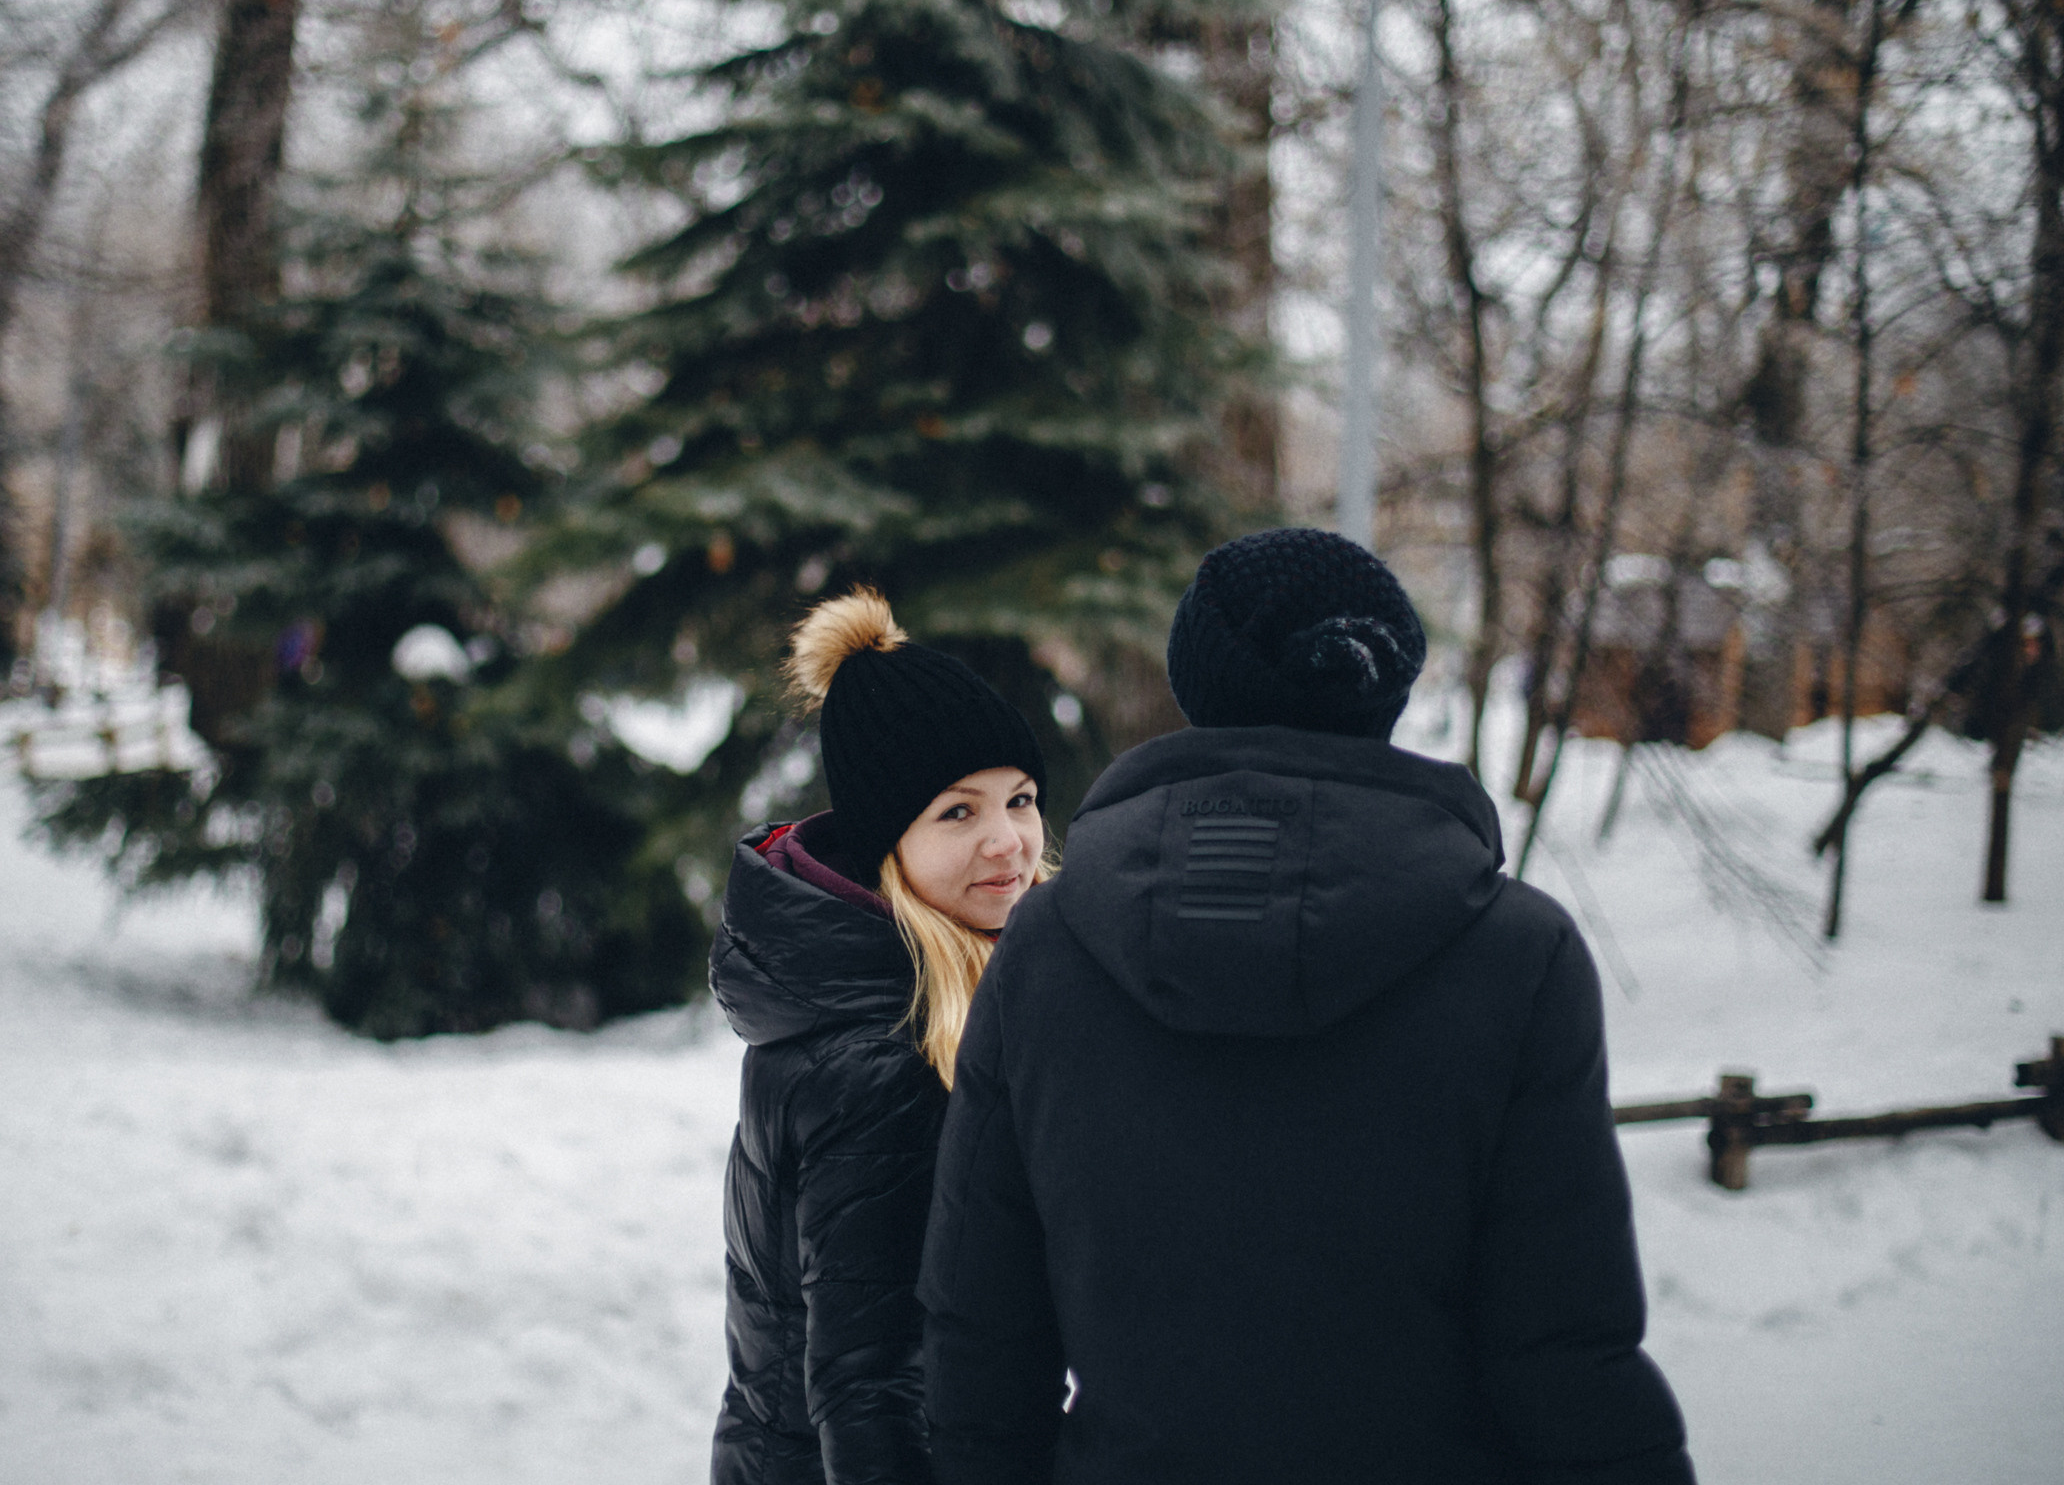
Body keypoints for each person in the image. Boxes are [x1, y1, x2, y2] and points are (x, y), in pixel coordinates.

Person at [919, 529, 1696, 1485]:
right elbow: (1566, 1352)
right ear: (1385, 689)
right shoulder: (1520, 957)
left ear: (1197, 680)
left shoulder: (1045, 949)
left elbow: (983, 1340)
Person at [711, 588, 1055, 1485]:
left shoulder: (927, 995)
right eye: (957, 812)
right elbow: (870, 1387)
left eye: (1019, 801)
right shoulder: (885, 1057)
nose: (1008, 842)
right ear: (885, 845)